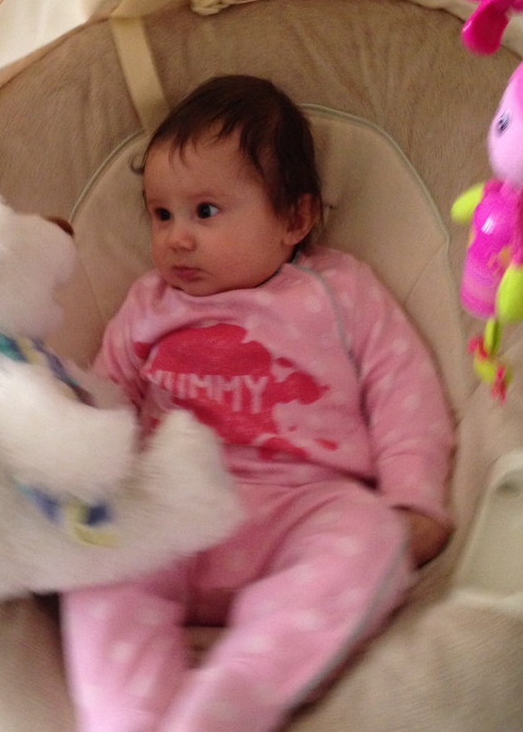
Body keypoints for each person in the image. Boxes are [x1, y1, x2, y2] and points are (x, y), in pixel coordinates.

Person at [62, 75, 454, 732]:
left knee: (371, 537)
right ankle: (128, 713)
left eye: (205, 211)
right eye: (161, 214)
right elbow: (107, 402)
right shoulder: (147, 305)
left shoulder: (339, 289)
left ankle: (237, 695)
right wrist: (77, 476)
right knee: (95, 550)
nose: (177, 238)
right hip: (173, 506)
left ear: (293, 220)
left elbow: (401, 386)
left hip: (301, 506)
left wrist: (414, 494)